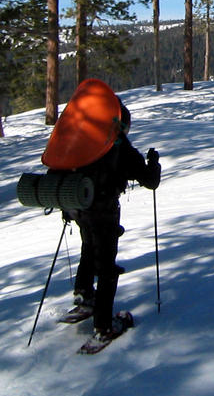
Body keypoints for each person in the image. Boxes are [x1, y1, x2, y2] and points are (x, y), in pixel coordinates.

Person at [64, 102, 161, 343]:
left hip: (79, 207)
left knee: (88, 248)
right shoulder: (119, 146)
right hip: (104, 210)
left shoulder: (83, 139)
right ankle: (104, 325)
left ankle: (84, 295)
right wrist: (154, 163)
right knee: (107, 264)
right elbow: (150, 181)